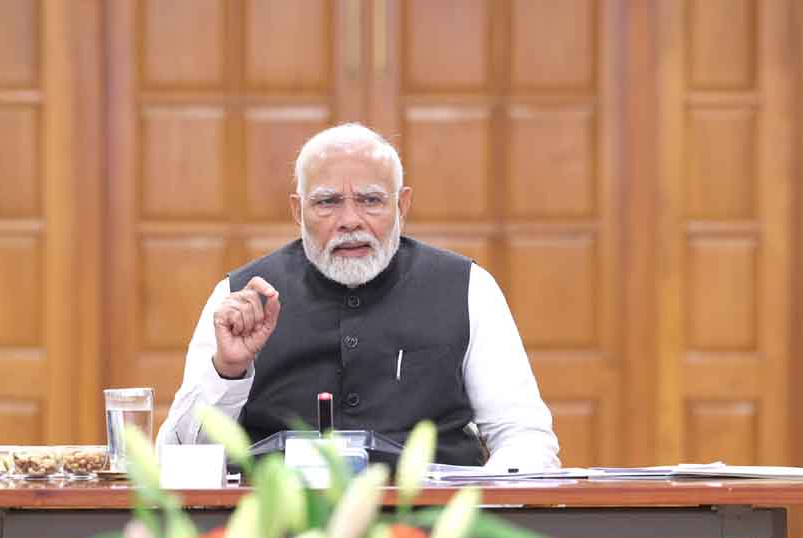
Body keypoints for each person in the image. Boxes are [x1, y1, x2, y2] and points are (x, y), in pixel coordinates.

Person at [156, 123, 560, 469]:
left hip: (427, 535)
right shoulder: (240, 297)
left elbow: (525, 437)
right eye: (327, 202)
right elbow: (179, 458)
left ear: (402, 205)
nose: (350, 221)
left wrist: (482, 504)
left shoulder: (469, 287)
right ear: (298, 212)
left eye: (370, 200)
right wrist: (227, 370)